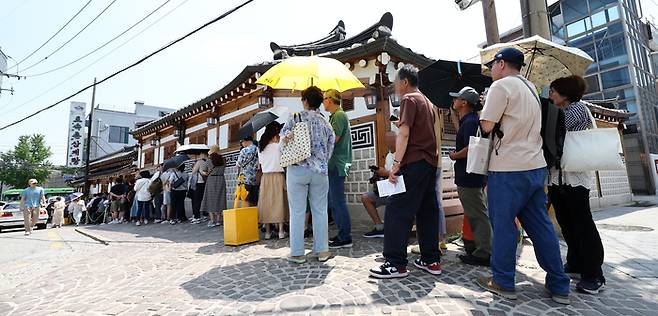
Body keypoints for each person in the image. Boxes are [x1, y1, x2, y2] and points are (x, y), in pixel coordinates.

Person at [477, 47, 570, 304]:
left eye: (492, 64)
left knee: (504, 225)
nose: (491, 69)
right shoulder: (531, 87)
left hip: (508, 168)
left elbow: (486, 126)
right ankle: (559, 284)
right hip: (534, 165)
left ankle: (503, 281)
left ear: (502, 63)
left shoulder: (500, 86)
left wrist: (484, 107)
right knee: (540, 227)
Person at [369, 64, 442, 279]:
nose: (394, 87)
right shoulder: (427, 102)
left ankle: (396, 263)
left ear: (404, 82)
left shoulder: (409, 99)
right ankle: (431, 259)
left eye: (395, 82)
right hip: (430, 164)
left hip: (414, 162)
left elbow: (404, 133)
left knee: (397, 209)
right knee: (427, 211)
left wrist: (396, 164)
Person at [548, 75, 606, 294]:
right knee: (567, 222)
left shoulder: (577, 109)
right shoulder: (561, 111)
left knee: (582, 224)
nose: (551, 94)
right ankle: (575, 263)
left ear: (565, 93)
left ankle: (594, 274)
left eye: (553, 90)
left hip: (575, 177)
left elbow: (556, 130)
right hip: (557, 176)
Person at [281, 86, 335, 264]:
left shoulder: (295, 118)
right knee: (320, 210)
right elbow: (330, 146)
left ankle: (297, 253)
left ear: (305, 100)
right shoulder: (326, 123)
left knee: (297, 211)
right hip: (319, 171)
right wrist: (320, 161)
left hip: (297, 169)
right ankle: (323, 251)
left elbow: (282, 143)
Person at [448, 86, 492, 267]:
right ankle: (479, 248)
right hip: (473, 175)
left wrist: (454, 155)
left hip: (469, 176)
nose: (454, 101)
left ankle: (484, 252)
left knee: (478, 214)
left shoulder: (470, 122)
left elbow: (470, 149)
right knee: (477, 212)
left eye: (457, 98)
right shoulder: (471, 120)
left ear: (464, 102)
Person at [323, 89, 354, 249]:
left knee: (337, 202)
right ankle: (343, 234)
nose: (323, 102)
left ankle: (345, 237)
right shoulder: (337, 116)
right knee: (334, 201)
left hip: (336, 163)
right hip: (336, 163)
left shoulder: (338, 115)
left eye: (324, 99)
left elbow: (333, 139)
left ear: (330, 99)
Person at [361, 131, 397, 238]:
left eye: (390, 141)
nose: (388, 144)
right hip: (388, 188)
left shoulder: (402, 154)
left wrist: (386, 172)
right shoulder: (389, 156)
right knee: (366, 197)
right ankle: (379, 227)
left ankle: (395, 228)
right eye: (386, 142)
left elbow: (401, 175)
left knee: (392, 199)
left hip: (399, 191)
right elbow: (387, 173)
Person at [258, 122, 289, 239]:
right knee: (279, 202)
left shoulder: (260, 147)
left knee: (266, 203)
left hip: (265, 177)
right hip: (278, 175)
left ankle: (267, 232)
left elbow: (260, 163)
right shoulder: (279, 145)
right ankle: (281, 231)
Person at [201, 146, 227, 228]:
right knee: (220, 198)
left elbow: (204, 171)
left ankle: (212, 220)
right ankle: (219, 220)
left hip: (211, 179)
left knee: (210, 199)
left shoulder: (208, 160)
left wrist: (203, 172)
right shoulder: (224, 159)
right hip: (221, 179)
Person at [237, 135, 259, 207]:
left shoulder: (244, 150)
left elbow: (239, 163)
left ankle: (248, 214)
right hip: (256, 177)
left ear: (245, 141)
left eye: (241, 142)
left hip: (246, 177)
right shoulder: (257, 149)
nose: (241, 144)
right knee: (255, 198)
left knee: (246, 197)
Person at [191, 152, 209, 223]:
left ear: (202, 154)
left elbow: (193, 171)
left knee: (197, 200)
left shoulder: (199, 162)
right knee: (204, 199)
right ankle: (205, 215)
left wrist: (195, 166)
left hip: (199, 182)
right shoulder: (208, 161)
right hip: (206, 182)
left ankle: (197, 217)